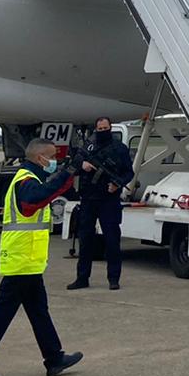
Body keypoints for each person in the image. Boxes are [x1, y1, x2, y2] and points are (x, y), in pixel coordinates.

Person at [0, 140, 82, 376]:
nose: (54, 160)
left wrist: (68, 173)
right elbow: (31, 203)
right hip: (20, 260)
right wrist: (66, 173)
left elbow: (50, 192)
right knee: (1, 316)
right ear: (40, 159)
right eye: (52, 157)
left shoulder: (31, 178)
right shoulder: (25, 180)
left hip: (29, 261)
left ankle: (54, 358)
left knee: (38, 311)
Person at [66, 118, 135, 291]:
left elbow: (129, 172)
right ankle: (82, 278)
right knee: (85, 240)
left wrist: (117, 184)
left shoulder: (120, 148)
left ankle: (113, 278)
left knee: (112, 240)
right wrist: (83, 165)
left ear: (110, 128)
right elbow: (73, 166)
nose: (102, 130)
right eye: (100, 128)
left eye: (105, 128)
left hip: (109, 200)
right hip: (89, 198)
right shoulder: (88, 146)